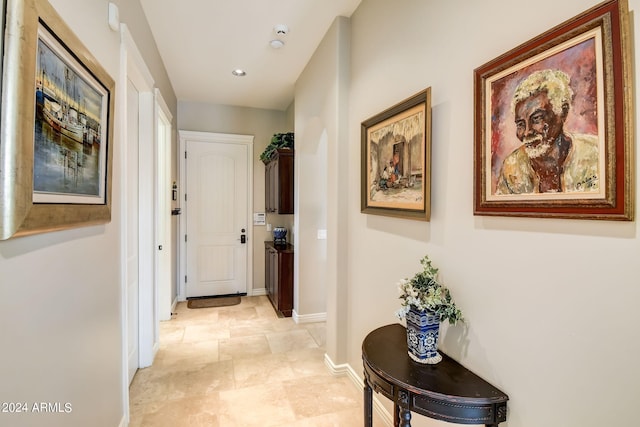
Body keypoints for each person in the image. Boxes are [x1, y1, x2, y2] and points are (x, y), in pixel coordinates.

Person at [495, 69, 600, 194]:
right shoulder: (512, 167)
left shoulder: (596, 153)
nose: (527, 132)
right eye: (521, 124)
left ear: (562, 112)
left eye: (537, 118)